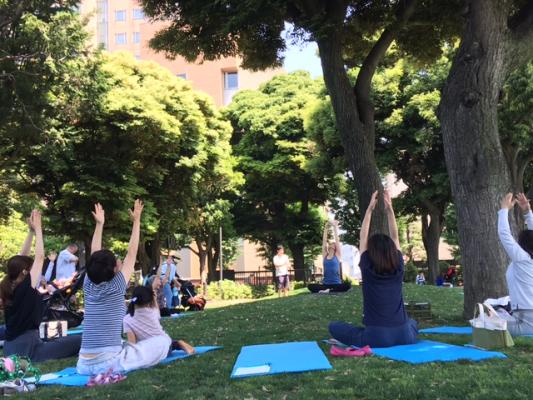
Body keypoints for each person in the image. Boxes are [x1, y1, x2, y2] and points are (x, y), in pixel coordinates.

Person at [77, 201, 171, 375]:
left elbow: (95, 254)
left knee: (124, 345)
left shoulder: (88, 284)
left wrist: (99, 224)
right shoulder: (116, 286)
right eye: (116, 261)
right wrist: (136, 221)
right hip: (108, 364)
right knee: (163, 341)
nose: (119, 262)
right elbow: (131, 253)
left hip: (82, 365)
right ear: (114, 270)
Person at [329, 190, 418, 348]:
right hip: (405, 335)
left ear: (372, 252)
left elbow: (363, 236)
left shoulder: (367, 267)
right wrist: (390, 210)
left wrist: (369, 210)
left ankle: (362, 334)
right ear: (392, 251)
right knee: (412, 322)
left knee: (334, 327)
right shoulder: (398, 267)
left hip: (376, 337)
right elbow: (395, 237)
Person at [0, 210, 81, 362]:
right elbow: (39, 257)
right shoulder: (25, 287)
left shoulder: (9, 284)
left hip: (11, 347)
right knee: (81, 340)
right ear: (25, 272)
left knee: (67, 340)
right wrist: (38, 228)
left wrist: (31, 232)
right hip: (29, 349)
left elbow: (21, 258)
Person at [497, 192, 533, 336]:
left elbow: (505, 234)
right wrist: (527, 212)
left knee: (485, 319)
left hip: (526, 321)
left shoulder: (522, 258)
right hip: (525, 315)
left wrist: (503, 210)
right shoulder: (525, 258)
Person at [124, 284, 194, 355]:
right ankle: (178, 343)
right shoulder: (153, 312)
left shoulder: (127, 320)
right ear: (149, 300)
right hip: (166, 347)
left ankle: (177, 343)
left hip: (151, 352)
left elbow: (132, 343)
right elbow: (156, 309)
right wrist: (154, 299)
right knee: (169, 342)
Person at [307, 221, 351, 293]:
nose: (331, 245)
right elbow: (324, 241)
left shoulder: (337, 255)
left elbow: (337, 240)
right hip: (326, 284)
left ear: (335, 247)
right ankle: (329, 290)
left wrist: (334, 227)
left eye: (333, 244)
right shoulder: (325, 255)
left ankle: (328, 290)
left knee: (347, 285)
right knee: (310, 286)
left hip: (336, 284)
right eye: (330, 244)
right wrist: (326, 227)